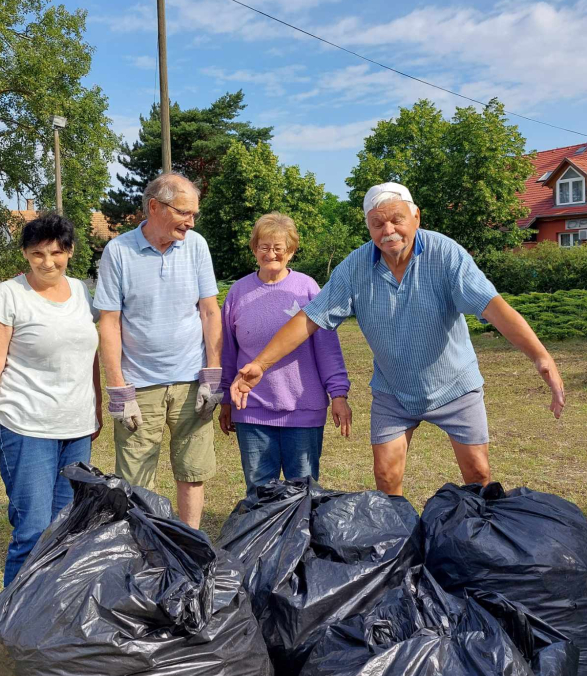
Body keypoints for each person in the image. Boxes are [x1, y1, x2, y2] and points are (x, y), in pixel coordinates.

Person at [231, 183, 566, 496]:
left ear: (415, 217)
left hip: (455, 386)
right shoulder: (354, 267)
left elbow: (492, 307)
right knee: (386, 475)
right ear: (368, 226)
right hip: (393, 391)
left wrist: (540, 356)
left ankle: (474, 543)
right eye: (377, 223)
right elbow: (309, 319)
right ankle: (397, 546)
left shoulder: (445, 254)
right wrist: (260, 364)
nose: (388, 230)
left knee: (478, 474)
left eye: (396, 219)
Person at [0, 214, 102, 585]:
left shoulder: (81, 292)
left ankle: (48, 614)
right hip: (26, 426)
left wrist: (94, 406)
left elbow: (88, 351)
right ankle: (11, 630)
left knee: (66, 530)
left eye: (57, 253)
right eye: (37, 254)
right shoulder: (9, 295)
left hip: (75, 429)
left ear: (71, 251)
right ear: (26, 255)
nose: (48, 262)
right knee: (32, 531)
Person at [94, 172, 222, 527]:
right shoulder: (118, 251)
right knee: (136, 481)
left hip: (192, 382)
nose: (191, 222)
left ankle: (190, 544)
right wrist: (119, 389)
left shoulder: (196, 246)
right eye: (184, 212)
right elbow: (109, 323)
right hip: (140, 385)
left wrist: (213, 373)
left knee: (192, 470)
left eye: (194, 214)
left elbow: (210, 311)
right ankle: (146, 550)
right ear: (155, 206)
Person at [220, 213, 352, 495]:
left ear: (291, 251)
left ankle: (301, 540)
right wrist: (225, 400)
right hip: (251, 408)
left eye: (279, 247)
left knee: (303, 490)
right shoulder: (238, 292)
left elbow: (327, 349)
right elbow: (228, 352)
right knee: (258, 491)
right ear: (254, 249)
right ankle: (262, 539)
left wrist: (338, 394)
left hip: (302, 408)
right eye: (264, 246)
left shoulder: (307, 289)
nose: (271, 254)